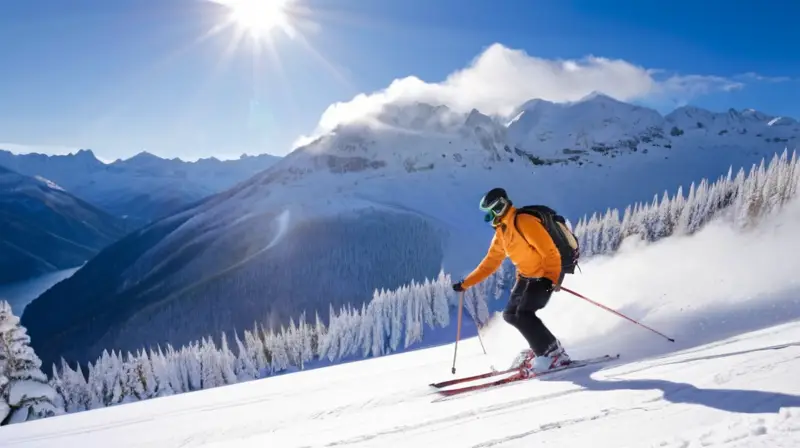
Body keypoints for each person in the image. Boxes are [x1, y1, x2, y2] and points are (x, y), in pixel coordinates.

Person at [452, 187, 571, 375]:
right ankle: (541, 348)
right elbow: (490, 263)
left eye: (497, 208)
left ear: (505, 203)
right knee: (510, 315)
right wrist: (465, 283)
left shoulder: (524, 221)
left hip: (544, 276)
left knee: (524, 314)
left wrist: (551, 278)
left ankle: (554, 354)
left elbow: (550, 251)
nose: (494, 214)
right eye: (491, 211)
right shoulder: (502, 233)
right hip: (525, 277)